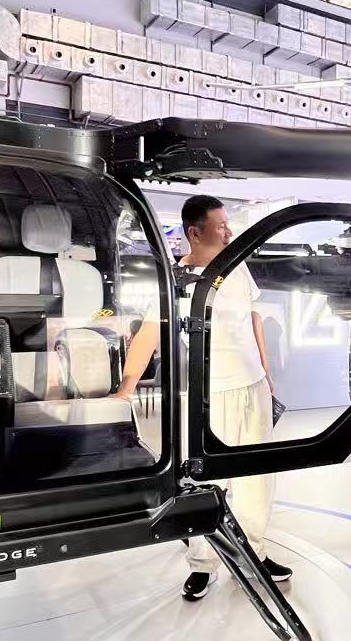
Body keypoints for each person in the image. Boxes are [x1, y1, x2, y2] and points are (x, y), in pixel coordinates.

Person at [115, 195, 289, 601]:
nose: (229, 231)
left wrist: (267, 374)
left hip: (252, 387)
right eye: (221, 225)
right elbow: (148, 335)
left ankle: (254, 554)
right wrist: (125, 389)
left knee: (256, 478)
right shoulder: (176, 282)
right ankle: (203, 564)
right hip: (208, 396)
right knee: (205, 480)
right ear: (195, 233)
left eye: (228, 223)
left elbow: (253, 319)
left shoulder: (237, 268)